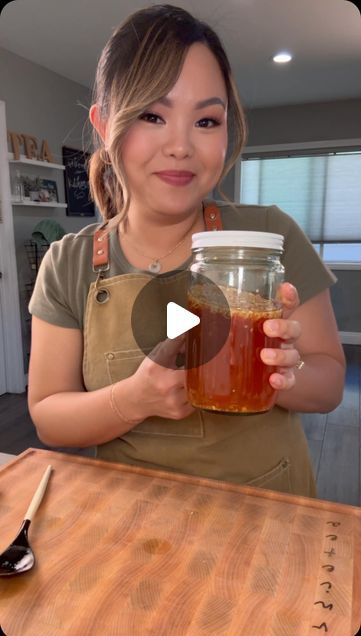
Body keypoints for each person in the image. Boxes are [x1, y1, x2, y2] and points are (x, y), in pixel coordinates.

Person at [28, 4, 345, 497]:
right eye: (153, 115)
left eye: (206, 121)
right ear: (105, 125)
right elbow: (48, 416)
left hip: (268, 519)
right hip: (132, 524)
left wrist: (283, 371)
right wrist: (133, 400)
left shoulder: (266, 237)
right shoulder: (69, 263)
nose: (180, 146)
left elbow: (328, 385)